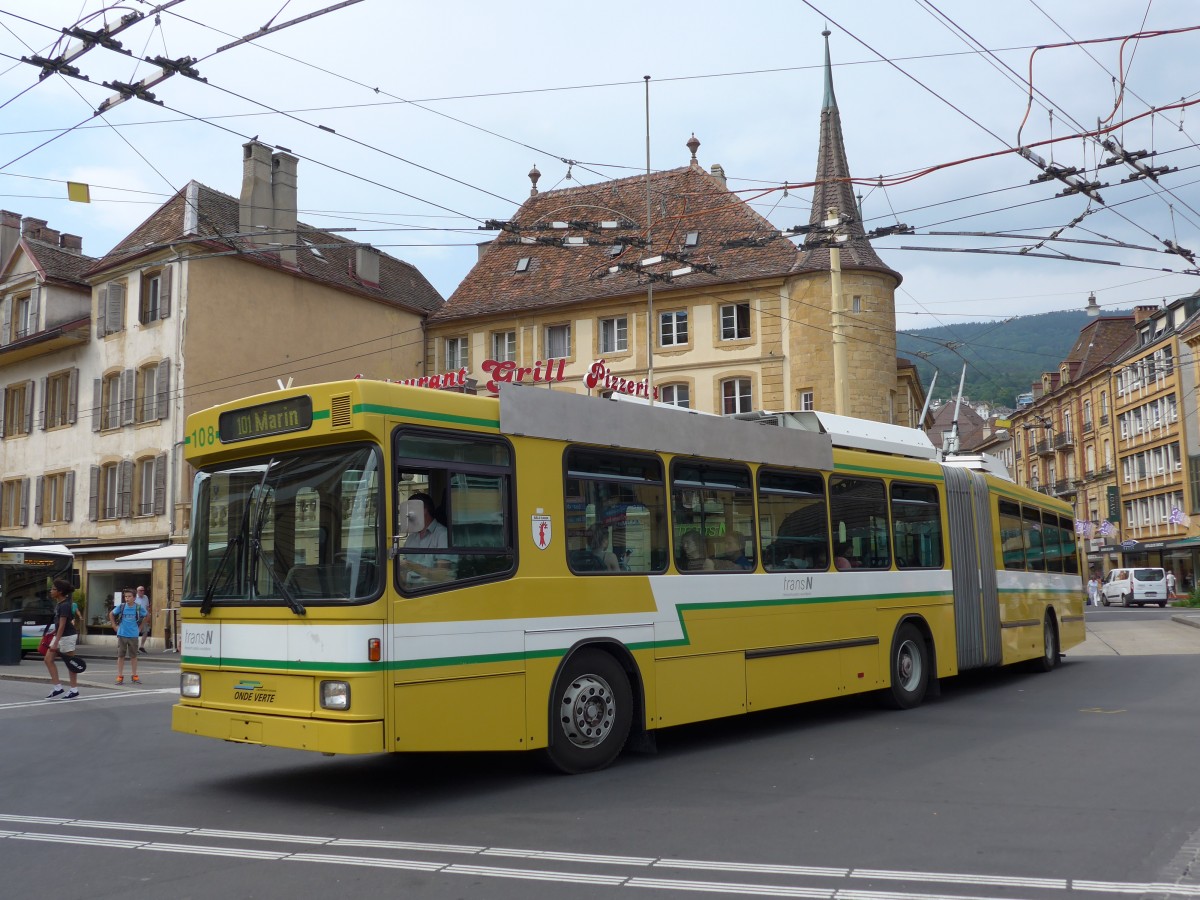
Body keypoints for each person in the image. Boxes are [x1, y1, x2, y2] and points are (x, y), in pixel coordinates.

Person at [399, 492, 451, 583]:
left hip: (431, 591)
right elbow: (403, 572)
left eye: (410, 510)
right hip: (407, 591)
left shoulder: (443, 535)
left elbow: (442, 575)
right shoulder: (411, 538)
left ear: (424, 510)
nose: (407, 514)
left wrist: (410, 565)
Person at [43, 577, 80, 700]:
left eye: (53, 589)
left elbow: (64, 625)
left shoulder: (65, 605)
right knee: (48, 659)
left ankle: (74, 689)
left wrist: (55, 642)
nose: (51, 591)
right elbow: (60, 624)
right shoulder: (59, 604)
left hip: (68, 636)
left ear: (60, 591)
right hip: (60, 635)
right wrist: (53, 632)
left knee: (71, 663)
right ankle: (57, 687)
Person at [110, 587, 144, 685]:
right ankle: (120, 676)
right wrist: (113, 625)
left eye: (129, 596)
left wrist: (140, 627)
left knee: (133, 656)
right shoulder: (122, 606)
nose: (127, 598)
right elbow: (111, 614)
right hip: (122, 634)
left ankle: (134, 676)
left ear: (134, 598)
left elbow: (147, 615)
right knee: (121, 656)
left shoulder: (138, 607)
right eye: (125, 596)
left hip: (133, 634)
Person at [135, 585, 152, 652]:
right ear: (137, 591)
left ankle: (142, 646)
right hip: (137, 617)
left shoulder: (146, 597)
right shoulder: (134, 598)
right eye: (140, 590)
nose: (142, 592)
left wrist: (148, 617)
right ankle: (135, 648)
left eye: (143, 590)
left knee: (145, 631)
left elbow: (147, 607)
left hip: (144, 617)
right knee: (136, 632)